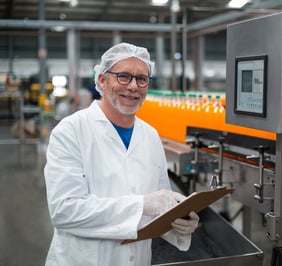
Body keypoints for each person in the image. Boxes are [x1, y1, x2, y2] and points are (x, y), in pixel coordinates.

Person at [44, 42, 199, 266]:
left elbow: (161, 206)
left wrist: (179, 223)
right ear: (101, 81)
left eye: (142, 79)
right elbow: (64, 211)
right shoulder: (71, 131)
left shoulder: (151, 136)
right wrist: (143, 205)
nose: (133, 86)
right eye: (123, 76)